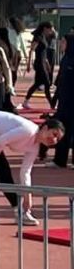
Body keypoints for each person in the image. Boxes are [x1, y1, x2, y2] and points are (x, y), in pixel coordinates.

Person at [0, 111, 64, 225]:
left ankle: (18, 211)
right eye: (54, 134)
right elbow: (1, 140)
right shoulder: (28, 130)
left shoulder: (34, 148)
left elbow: (25, 172)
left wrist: (28, 196)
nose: (54, 140)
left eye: (58, 139)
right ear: (45, 128)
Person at [22, 22, 58, 109]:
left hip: (43, 62)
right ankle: (52, 104)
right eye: (50, 29)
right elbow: (31, 50)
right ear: (45, 28)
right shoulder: (37, 37)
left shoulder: (43, 37)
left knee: (37, 83)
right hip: (39, 63)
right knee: (47, 83)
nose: (51, 32)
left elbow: (43, 53)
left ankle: (26, 101)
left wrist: (47, 63)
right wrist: (28, 64)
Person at [51, 32, 74, 169]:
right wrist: (55, 98)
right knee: (61, 129)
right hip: (64, 103)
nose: (61, 44)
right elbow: (61, 81)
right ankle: (60, 160)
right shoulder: (65, 59)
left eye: (64, 42)